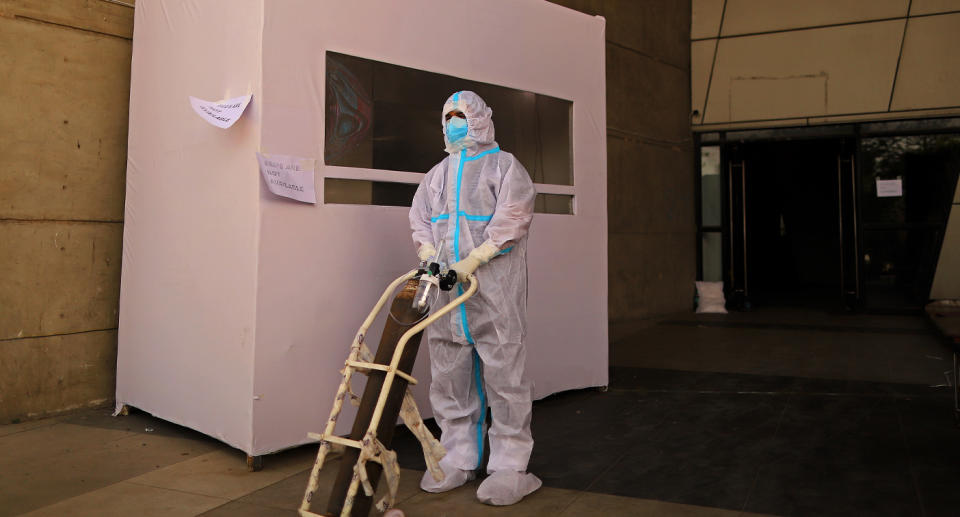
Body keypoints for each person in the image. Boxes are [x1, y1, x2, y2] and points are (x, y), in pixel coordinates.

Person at [408, 91, 541, 506]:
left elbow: (514, 216)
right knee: (448, 376)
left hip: (493, 291)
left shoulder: (504, 167)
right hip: (447, 294)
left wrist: (477, 257)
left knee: (505, 376)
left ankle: (510, 466)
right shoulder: (437, 174)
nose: (453, 123)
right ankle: (458, 457)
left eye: (460, 116)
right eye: (448, 117)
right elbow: (420, 219)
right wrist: (429, 254)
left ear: (479, 119)